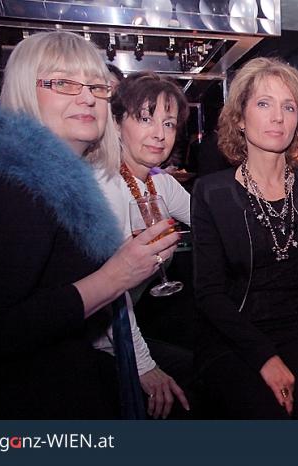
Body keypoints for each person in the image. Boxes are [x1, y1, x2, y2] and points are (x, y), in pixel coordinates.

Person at [0, 31, 178, 419]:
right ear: (25, 89)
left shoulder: (63, 182)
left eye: (96, 86)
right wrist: (116, 276)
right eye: (63, 83)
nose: (87, 97)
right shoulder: (11, 183)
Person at [192, 57, 298, 419]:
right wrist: (264, 357)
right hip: (234, 336)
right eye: (264, 104)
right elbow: (209, 294)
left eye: (289, 107)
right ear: (240, 118)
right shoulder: (212, 192)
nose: (278, 117)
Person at [94, 71, 192, 419]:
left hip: (131, 326)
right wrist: (145, 366)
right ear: (117, 123)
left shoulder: (158, 182)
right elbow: (110, 297)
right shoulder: (104, 186)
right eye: (145, 119)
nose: (159, 134)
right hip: (99, 341)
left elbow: (208, 221)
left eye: (169, 123)